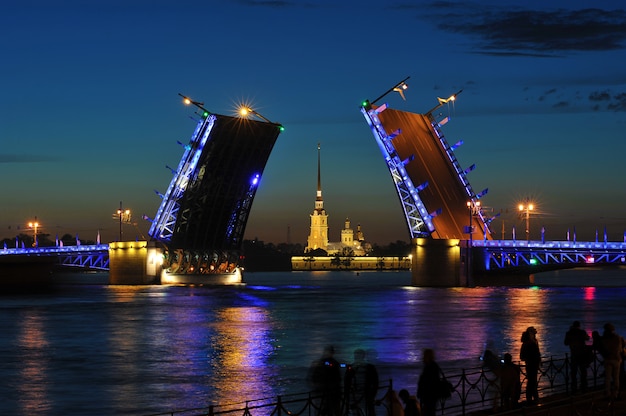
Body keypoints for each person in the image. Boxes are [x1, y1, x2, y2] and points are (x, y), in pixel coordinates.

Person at [307, 345, 343, 416]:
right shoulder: (333, 363)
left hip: (323, 391)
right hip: (332, 391)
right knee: (333, 410)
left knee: (322, 410)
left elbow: (313, 376)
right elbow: (337, 376)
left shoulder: (320, 363)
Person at [344, 348, 379, 416]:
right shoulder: (370, 367)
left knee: (358, 411)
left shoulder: (351, 368)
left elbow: (346, 382)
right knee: (367, 410)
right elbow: (375, 383)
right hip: (363, 394)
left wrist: (347, 396)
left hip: (357, 395)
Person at [564, 320, 590, 394]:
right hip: (582, 354)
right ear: (579, 326)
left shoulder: (569, 333)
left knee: (573, 373)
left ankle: (574, 388)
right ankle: (584, 387)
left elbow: (566, 343)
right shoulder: (582, 332)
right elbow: (587, 338)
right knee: (583, 372)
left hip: (574, 354)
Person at [600, 323, 625, 400]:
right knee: (616, 377)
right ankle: (615, 393)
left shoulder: (604, 339)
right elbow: (622, 345)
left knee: (607, 378)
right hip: (616, 359)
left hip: (607, 359)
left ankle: (607, 393)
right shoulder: (618, 338)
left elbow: (602, 348)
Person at [417, 348, 444, 416]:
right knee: (430, 412)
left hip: (429, 395)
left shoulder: (430, 367)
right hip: (431, 395)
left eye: (424, 355)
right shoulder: (433, 365)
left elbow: (429, 381)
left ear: (427, 356)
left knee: (429, 412)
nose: (422, 357)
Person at [520, 326, 541, 404]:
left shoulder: (529, 342)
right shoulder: (530, 343)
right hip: (531, 364)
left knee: (532, 381)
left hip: (531, 364)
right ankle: (533, 398)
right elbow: (535, 353)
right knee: (532, 382)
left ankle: (531, 398)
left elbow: (522, 356)